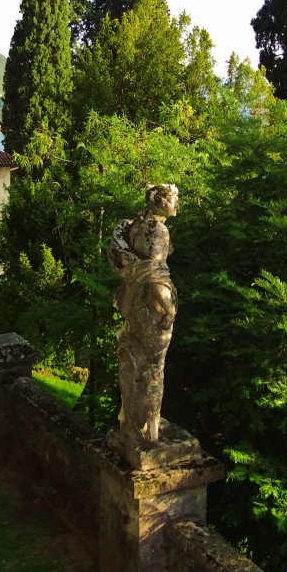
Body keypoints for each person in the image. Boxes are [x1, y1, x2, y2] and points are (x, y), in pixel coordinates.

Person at [108, 185, 179, 446]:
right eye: (174, 200)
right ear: (161, 202)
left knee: (133, 358)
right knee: (154, 366)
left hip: (133, 303)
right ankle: (151, 430)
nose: (177, 205)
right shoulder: (159, 231)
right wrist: (169, 308)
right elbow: (156, 277)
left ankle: (129, 417)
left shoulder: (135, 226)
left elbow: (134, 268)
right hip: (153, 308)